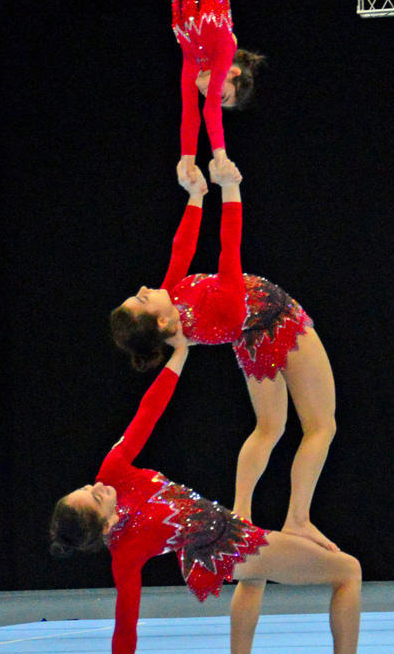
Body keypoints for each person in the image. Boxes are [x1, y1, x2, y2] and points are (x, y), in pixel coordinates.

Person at [49, 334, 394, 654]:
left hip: (221, 533)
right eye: (97, 497)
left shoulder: (113, 471)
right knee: (348, 571)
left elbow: (148, 411)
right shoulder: (125, 553)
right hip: (226, 546)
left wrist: (180, 354)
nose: (99, 486)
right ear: (107, 525)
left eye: (87, 487)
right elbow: (125, 628)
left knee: (255, 579)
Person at [109, 160, 339, 552]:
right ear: (160, 320)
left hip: (251, 337)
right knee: (321, 426)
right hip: (279, 320)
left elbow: (182, 248)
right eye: (142, 298)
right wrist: (230, 187)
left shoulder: (173, 307)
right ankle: (298, 519)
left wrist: (196, 196)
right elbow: (229, 246)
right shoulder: (218, 308)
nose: (145, 288)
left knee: (269, 428)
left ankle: (241, 519)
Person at [36, 0, 334, 180]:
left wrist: (186, 160)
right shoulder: (223, 49)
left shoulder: (193, 63)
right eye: (224, 94)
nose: (211, 94)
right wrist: (220, 155)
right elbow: (210, 109)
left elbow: (191, 114)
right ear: (232, 73)